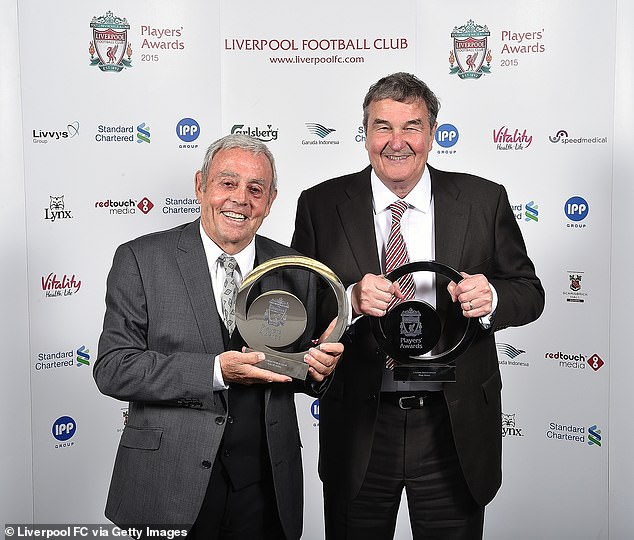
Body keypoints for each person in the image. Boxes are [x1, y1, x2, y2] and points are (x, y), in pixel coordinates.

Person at [291, 72, 544, 539]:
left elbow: (529, 291)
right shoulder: (321, 205)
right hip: (362, 423)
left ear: (432, 133)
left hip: (452, 424)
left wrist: (491, 298)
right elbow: (298, 309)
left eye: (412, 126)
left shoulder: (484, 200)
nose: (396, 142)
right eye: (382, 126)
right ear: (364, 133)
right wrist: (349, 300)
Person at [94, 134, 343, 540]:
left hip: (265, 492)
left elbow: (304, 369)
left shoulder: (296, 270)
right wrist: (215, 371)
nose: (240, 199)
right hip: (167, 485)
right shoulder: (141, 259)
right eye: (228, 183)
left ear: (270, 200)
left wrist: (319, 370)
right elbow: (112, 368)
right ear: (201, 185)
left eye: (255, 189)